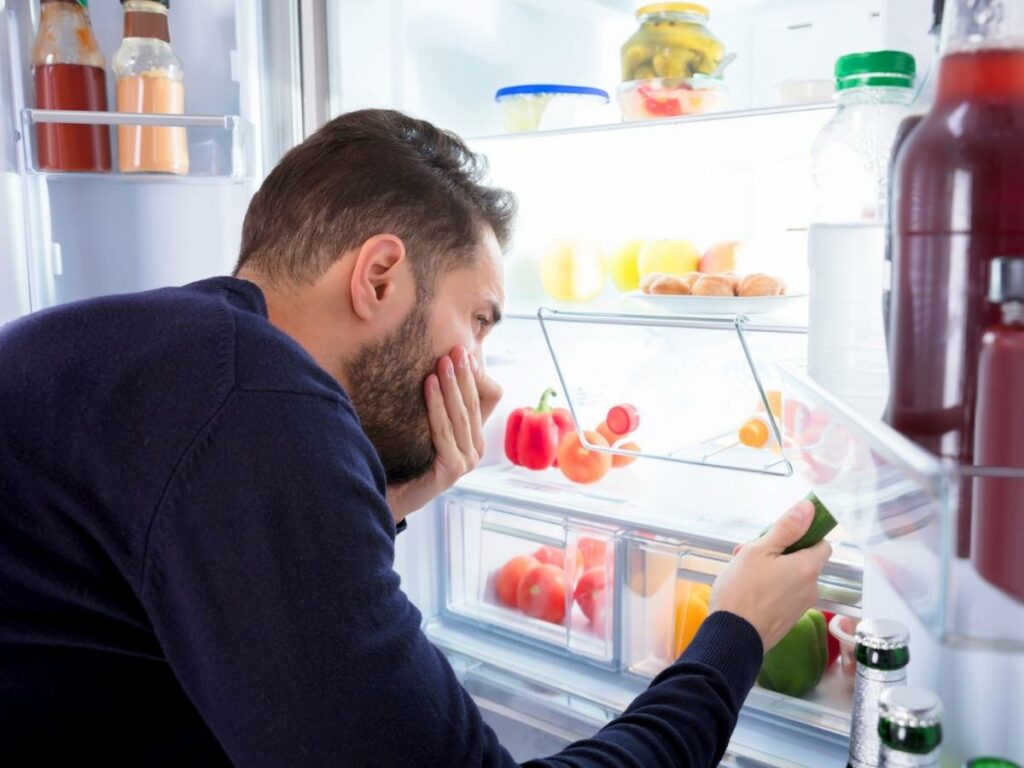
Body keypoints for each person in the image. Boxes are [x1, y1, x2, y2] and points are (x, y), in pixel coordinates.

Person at [0, 109, 831, 766]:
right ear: (379, 276)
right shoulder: (257, 399)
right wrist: (734, 636)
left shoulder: (175, 357)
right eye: (478, 321)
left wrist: (391, 497)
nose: (486, 377)